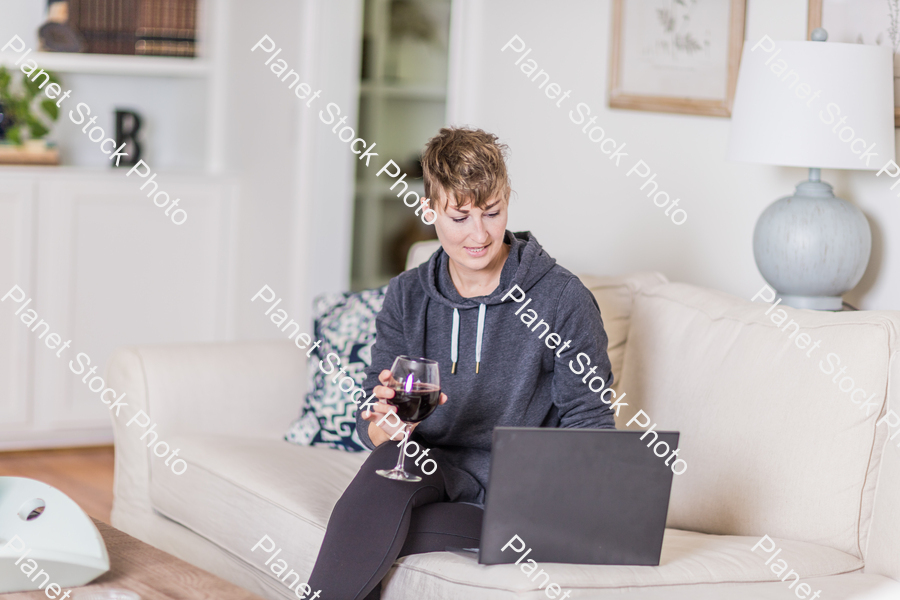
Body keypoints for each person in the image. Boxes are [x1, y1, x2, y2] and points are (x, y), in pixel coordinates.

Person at [307, 127, 616, 599]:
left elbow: (591, 423)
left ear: (507, 200)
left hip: (516, 497)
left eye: (492, 212)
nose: (480, 233)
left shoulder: (562, 299)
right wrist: (384, 424)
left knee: (364, 530)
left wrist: (560, 506)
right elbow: (371, 416)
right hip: (427, 470)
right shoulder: (408, 295)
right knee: (387, 468)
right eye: (460, 217)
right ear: (430, 211)